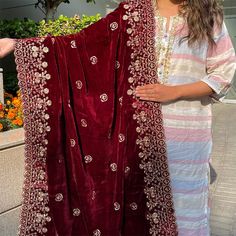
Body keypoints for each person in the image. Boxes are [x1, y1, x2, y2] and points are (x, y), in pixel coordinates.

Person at [0, 0, 235, 235]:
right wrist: (18, 45)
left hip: (187, 138)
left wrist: (175, 91)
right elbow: (81, 45)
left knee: (186, 210)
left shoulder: (208, 15)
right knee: (138, 214)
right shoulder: (133, 12)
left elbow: (223, 73)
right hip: (137, 142)